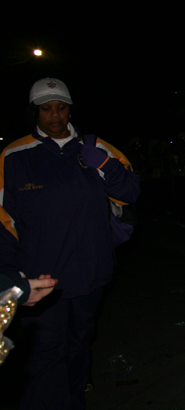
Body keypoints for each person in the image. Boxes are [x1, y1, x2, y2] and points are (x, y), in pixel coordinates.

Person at [0, 78, 140, 409]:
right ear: (35, 112)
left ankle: (74, 398)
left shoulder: (96, 146)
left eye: (61, 108)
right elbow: (3, 221)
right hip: (41, 279)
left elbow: (131, 192)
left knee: (79, 343)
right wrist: (10, 274)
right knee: (47, 352)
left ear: (70, 109)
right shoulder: (14, 155)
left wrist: (103, 164)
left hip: (91, 271)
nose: (55, 116)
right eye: (46, 109)